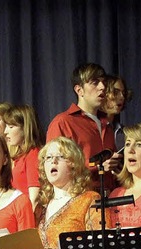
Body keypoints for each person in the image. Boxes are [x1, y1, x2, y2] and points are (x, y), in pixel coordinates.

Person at [47, 62, 120, 192]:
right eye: (94, 82)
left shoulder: (106, 124)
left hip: (108, 199)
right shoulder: (63, 122)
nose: (102, 87)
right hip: (79, 198)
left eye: (103, 82)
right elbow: (53, 166)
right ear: (79, 90)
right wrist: (97, 166)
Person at [3, 104, 44, 207]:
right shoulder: (21, 156)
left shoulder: (33, 154)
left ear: (25, 128)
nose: (5, 132)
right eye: (6, 126)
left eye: (11, 127)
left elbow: (34, 199)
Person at [102, 74, 132, 150]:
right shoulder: (94, 128)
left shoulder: (124, 131)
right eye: (115, 92)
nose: (122, 97)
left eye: (123, 93)